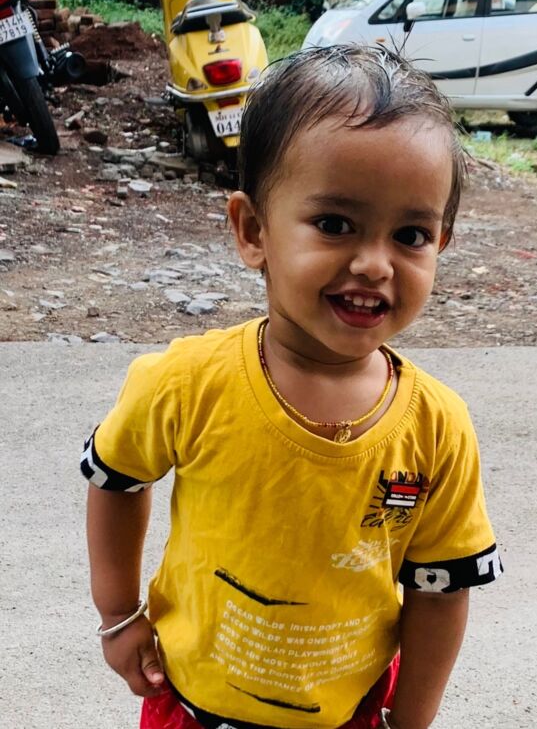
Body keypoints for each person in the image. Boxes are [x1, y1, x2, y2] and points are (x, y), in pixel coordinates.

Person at [82, 44, 503, 729]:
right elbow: (116, 477)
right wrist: (118, 614)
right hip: (192, 706)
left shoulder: (437, 427)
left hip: (352, 713)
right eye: (334, 225)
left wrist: (409, 720)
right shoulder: (186, 383)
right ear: (253, 230)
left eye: (410, 234)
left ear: (441, 243)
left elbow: (441, 591)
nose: (374, 264)